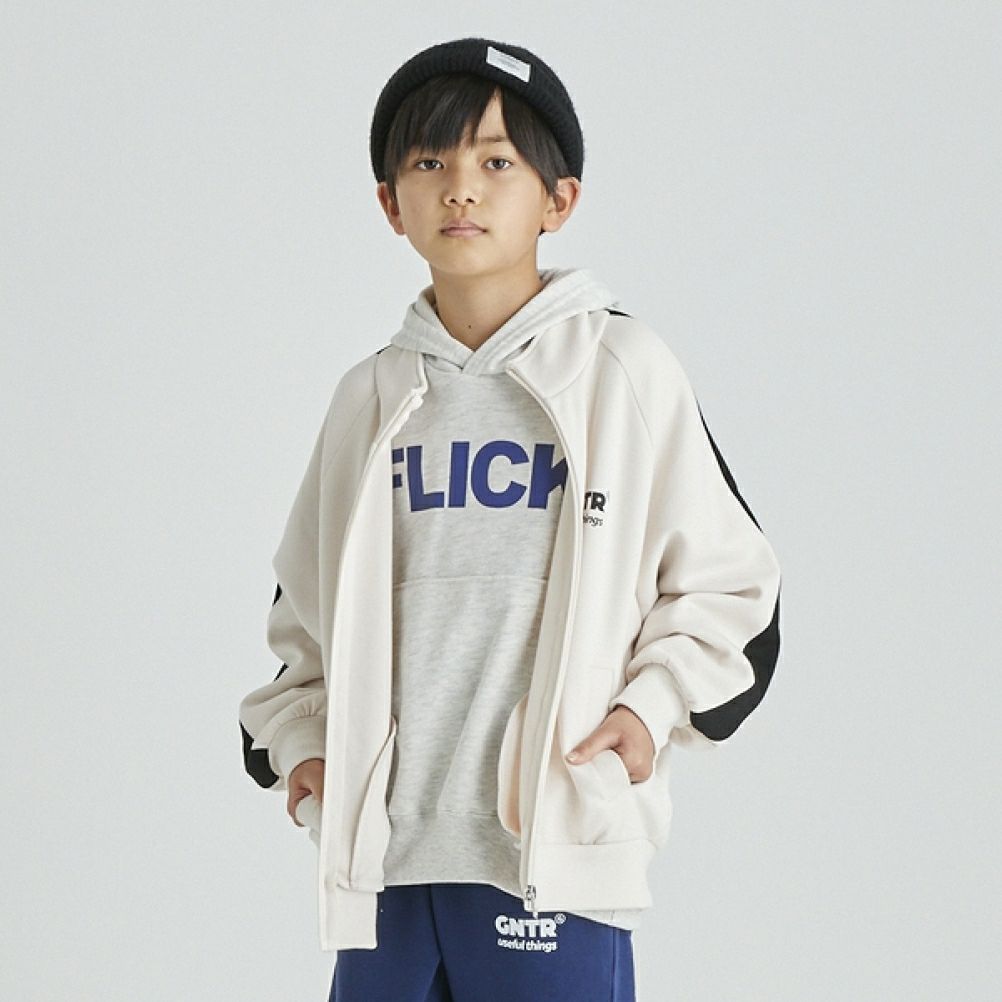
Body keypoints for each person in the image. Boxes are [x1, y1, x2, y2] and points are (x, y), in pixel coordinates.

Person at [238, 36, 782, 1002]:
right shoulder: (368, 400)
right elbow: (305, 622)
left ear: (557, 200)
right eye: (430, 163)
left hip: (552, 859)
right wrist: (305, 747)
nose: (461, 188)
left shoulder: (624, 373)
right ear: (389, 203)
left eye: (497, 162)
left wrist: (649, 710)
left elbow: (735, 591)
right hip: (384, 869)